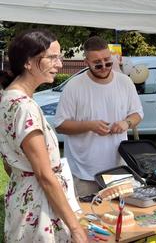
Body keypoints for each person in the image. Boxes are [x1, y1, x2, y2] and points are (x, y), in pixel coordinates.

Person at [0, 30, 88, 242]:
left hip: (23, 198)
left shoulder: (8, 99)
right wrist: (76, 228)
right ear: (28, 62)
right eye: (52, 57)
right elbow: (45, 176)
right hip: (39, 208)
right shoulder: (24, 107)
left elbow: (8, 164)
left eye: (60, 57)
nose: (59, 65)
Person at [54, 36, 143, 197]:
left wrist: (126, 122)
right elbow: (60, 125)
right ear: (86, 62)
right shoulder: (74, 86)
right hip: (84, 172)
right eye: (97, 64)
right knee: (85, 220)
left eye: (108, 61)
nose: (104, 66)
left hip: (118, 170)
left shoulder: (125, 82)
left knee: (119, 218)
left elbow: (137, 114)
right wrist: (89, 126)